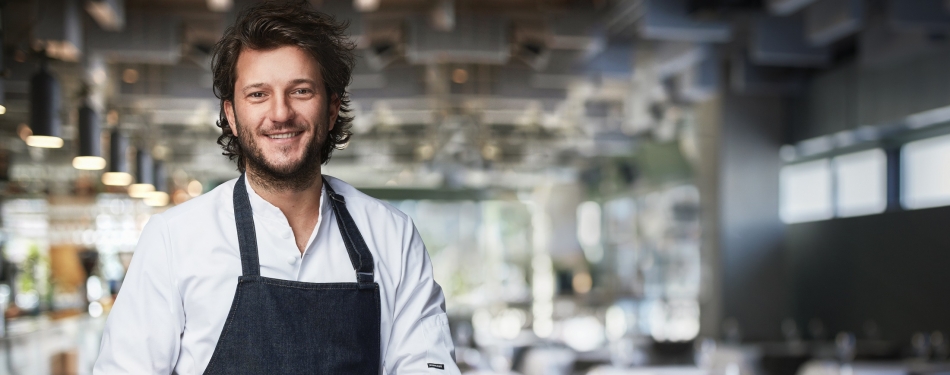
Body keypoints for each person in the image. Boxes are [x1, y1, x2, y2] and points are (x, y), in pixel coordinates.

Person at [93, 1, 459, 373]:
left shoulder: (392, 236)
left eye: (300, 91)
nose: (280, 113)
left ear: (332, 108)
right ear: (231, 116)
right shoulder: (174, 240)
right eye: (258, 94)